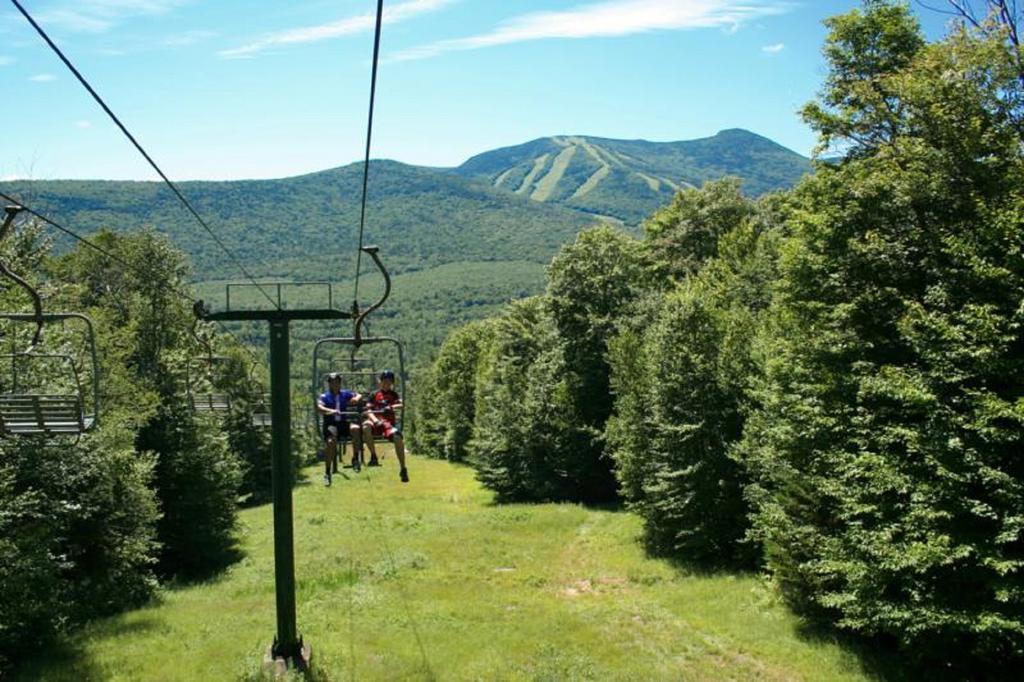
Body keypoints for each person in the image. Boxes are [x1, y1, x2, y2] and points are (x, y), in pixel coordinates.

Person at [362, 369, 409, 483]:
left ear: (392, 382)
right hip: (375, 422)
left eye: (389, 381)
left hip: (387, 424)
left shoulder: (394, 395)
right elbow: (368, 410)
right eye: (384, 381)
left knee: (398, 438)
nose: (386, 383)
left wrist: (392, 407)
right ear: (380, 381)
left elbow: (401, 405)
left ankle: (403, 468)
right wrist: (374, 420)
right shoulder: (374, 395)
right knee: (365, 427)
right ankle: (374, 456)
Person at [316, 372, 362, 485]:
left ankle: (355, 459)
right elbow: (319, 407)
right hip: (330, 424)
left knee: (356, 429)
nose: (335, 385)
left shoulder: (344, 394)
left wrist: (355, 399)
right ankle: (327, 472)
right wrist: (331, 411)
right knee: (331, 442)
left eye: (337, 382)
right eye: (333, 383)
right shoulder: (324, 397)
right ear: (329, 384)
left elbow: (358, 395)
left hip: (342, 423)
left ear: (340, 383)